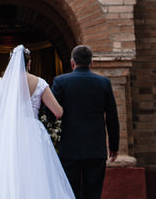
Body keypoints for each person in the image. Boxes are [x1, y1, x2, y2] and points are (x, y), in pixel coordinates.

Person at [0, 44, 74, 199]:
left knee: (2, 172)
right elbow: (58, 111)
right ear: (29, 63)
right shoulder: (40, 83)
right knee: (33, 174)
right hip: (31, 133)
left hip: (4, 131)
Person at [51, 45, 119, 199]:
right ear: (91, 63)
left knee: (69, 192)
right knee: (93, 193)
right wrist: (114, 146)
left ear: (72, 63)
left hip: (69, 147)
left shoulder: (61, 82)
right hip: (95, 147)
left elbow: (50, 113)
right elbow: (112, 116)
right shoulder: (103, 83)